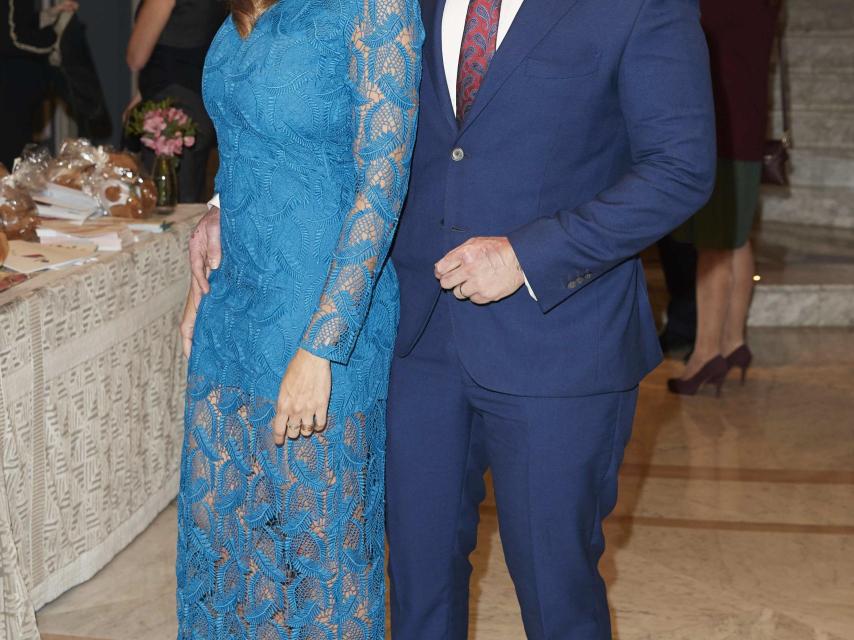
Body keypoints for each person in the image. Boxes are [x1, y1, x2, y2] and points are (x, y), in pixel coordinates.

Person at [188, 0, 715, 636]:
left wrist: (528, 255)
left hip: (561, 341)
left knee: (555, 589)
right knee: (417, 586)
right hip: (417, 339)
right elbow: (334, 113)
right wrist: (230, 204)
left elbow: (680, 169)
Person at [175, 0, 422, 635]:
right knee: (225, 541)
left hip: (323, 309)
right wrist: (216, 210)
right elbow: (247, 139)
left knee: (320, 560)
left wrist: (324, 345)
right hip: (235, 309)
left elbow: (381, 183)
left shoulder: (375, 6)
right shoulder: (245, 9)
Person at [669, 0, 782, 395]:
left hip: (718, 135)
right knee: (736, 239)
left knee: (713, 247)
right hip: (746, 134)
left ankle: (704, 355)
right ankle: (733, 342)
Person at [125, 0, 226, 202]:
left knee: (164, 209)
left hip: (170, 113)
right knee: (186, 201)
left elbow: (136, 56)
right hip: (199, 105)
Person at [0, 0, 78, 169]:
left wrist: (47, 17)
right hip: (9, 90)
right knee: (10, 163)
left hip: (15, 88)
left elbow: (12, 21)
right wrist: (56, 36)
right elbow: (12, 39)